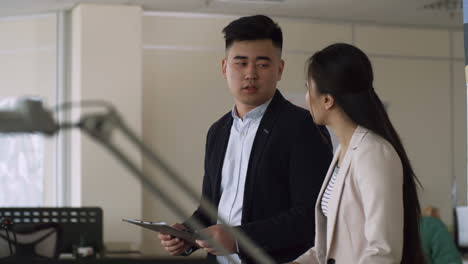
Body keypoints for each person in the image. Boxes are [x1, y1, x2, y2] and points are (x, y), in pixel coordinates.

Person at [157, 15, 332, 263]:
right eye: (240, 63)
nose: (250, 74)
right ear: (224, 68)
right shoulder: (217, 131)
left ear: (279, 69)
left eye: (262, 64)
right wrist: (185, 234)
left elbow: (311, 216)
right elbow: (210, 210)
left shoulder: (302, 126)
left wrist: (238, 238)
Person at [292, 43, 425, 264]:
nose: (307, 97)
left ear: (327, 99)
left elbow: (383, 251)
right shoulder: (343, 150)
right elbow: (327, 251)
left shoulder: (373, 152)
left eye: (308, 88)